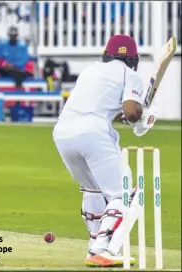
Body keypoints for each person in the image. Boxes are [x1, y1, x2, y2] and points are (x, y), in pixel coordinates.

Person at [52, 34, 157, 267]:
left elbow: (110, 109)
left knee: (94, 189)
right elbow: (130, 112)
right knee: (125, 193)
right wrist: (140, 116)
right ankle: (102, 249)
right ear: (133, 59)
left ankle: (93, 246)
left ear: (106, 55)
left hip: (62, 133)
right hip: (93, 134)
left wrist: (134, 117)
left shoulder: (90, 71)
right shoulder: (130, 75)